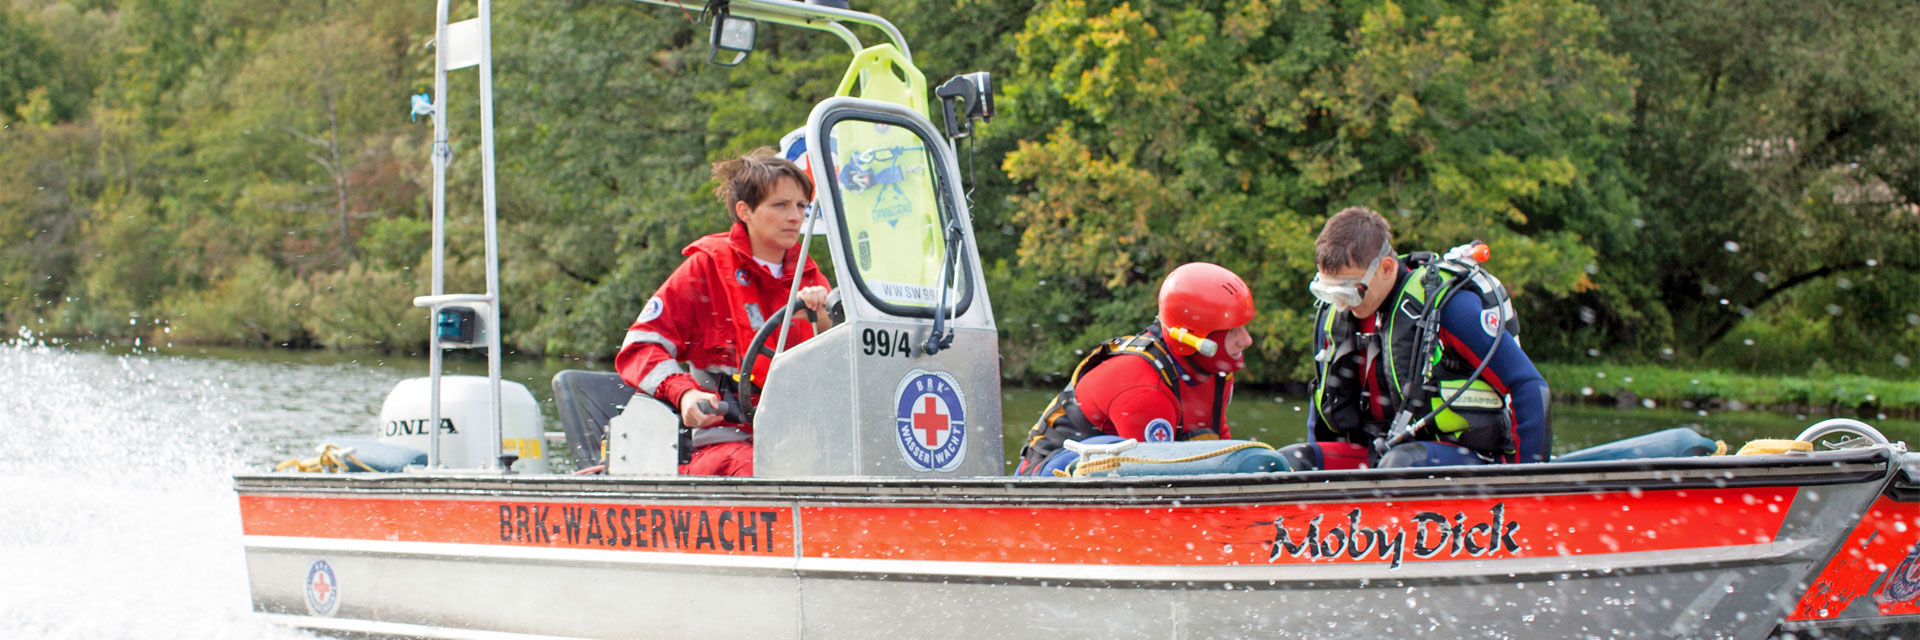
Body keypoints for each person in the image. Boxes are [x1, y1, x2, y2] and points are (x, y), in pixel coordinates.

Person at [615, 148, 833, 477]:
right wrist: (684, 394)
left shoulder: (811, 280)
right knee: (758, 469)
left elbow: (843, 364)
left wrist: (825, 319)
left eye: (801, 206)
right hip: (718, 445)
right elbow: (641, 346)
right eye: (781, 205)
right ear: (745, 211)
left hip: (798, 442)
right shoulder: (705, 269)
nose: (795, 216)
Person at [1279, 206, 1549, 470]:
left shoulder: (1451, 309)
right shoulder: (1339, 316)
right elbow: (1325, 402)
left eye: (1350, 291)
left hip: (1464, 456)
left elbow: (1529, 385)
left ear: (1386, 268)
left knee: (1399, 464)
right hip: (1383, 456)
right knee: (1290, 461)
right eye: (1329, 292)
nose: (1340, 303)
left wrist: (1528, 480)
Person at [1016, 263, 1257, 475]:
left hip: (1129, 472)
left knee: (1261, 458)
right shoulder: (1145, 387)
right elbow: (1155, 479)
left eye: (1244, 327)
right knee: (1112, 454)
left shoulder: (1216, 372)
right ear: (1191, 338)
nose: (1246, 340)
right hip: (1050, 473)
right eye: (1233, 330)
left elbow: (1222, 449)